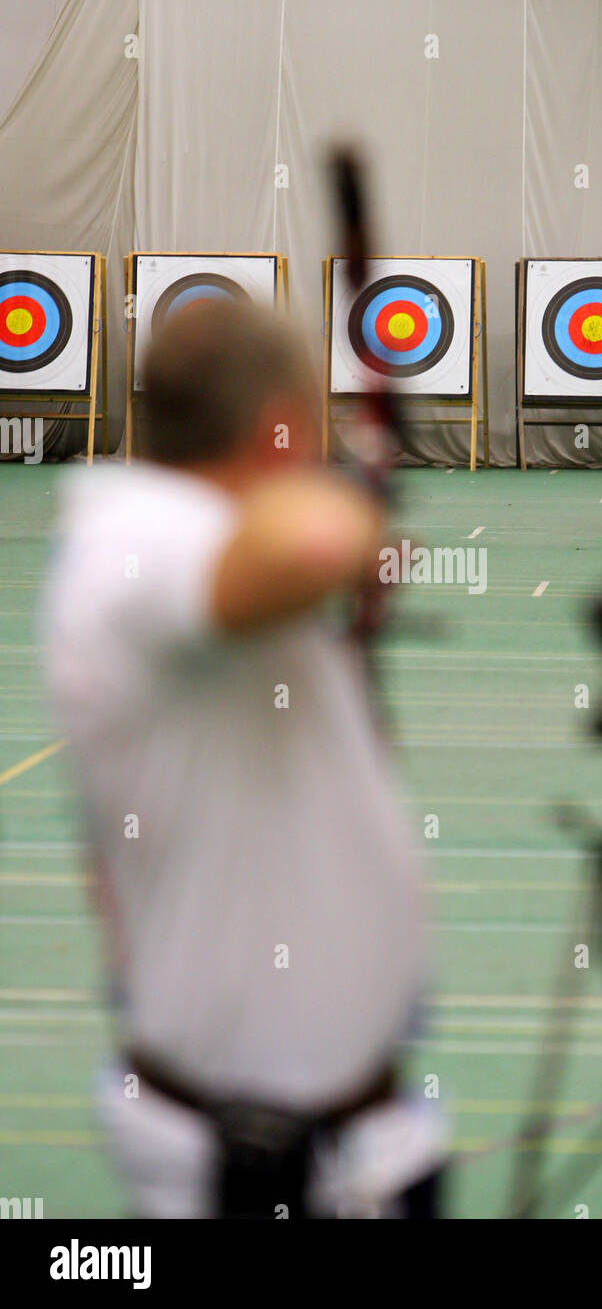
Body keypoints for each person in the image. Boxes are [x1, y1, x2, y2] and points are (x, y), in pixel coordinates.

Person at [42, 299, 442, 1218]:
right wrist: (357, 505)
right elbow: (310, 540)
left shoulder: (198, 541)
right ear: (278, 428)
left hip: (354, 1141)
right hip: (237, 1162)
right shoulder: (134, 543)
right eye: (311, 427)